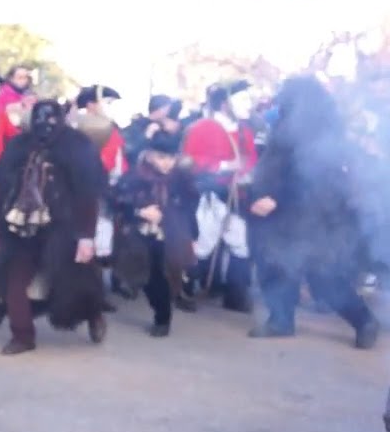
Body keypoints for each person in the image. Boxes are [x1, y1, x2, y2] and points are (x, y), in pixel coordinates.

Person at [247, 76, 379, 348]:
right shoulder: (291, 125)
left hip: (311, 217)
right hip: (283, 217)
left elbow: (316, 179)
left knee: (324, 277)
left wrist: (278, 199)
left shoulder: (316, 132)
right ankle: (281, 320)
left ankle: (364, 320)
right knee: (278, 266)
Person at [0, 100, 109, 355]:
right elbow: (4, 191)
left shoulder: (78, 146)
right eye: (40, 119)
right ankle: (23, 335)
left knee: (77, 281)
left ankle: (93, 314)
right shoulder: (18, 146)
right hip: (21, 226)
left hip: (66, 227)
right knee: (14, 281)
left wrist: (86, 237)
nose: (45, 125)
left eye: (51, 119)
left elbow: (88, 195)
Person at [109, 131, 199, 337]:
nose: (167, 163)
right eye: (161, 157)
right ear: (149, 155)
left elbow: (189, 209)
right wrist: (139, 211)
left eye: (171, 158)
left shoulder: (182, 178)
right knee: (147, 277)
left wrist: (193, 236)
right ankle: (160, 311)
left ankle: (165, 313)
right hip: (140, 235)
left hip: (173, 234)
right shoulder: (134, 176)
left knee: (167, 274)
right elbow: (117, 201)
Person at [181, 80, 257, 313]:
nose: (249, 104)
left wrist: (245, 173)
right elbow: (189, 161)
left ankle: (235, 294)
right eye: (242, 98)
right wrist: (225, 165)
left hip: (236, 195)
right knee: (203, 244)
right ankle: (186, 287)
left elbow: (250, 159)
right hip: (209, 195)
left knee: (241, 245)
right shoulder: (202, 127)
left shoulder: (244, 130)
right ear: (225, 103)